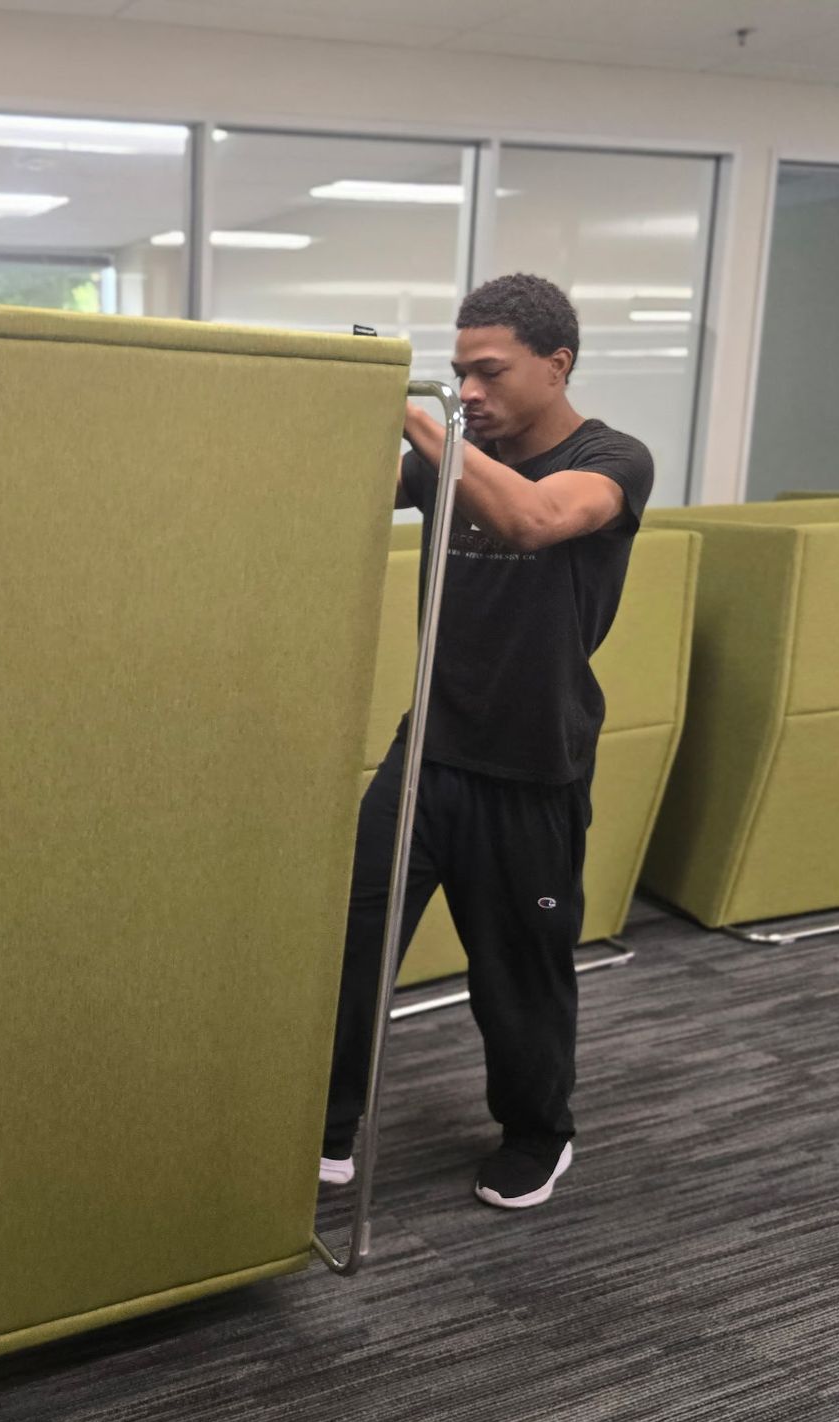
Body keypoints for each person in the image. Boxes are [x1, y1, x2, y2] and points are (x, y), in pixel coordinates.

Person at [320, 273, 655, 1210]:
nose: (467, 391)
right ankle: (328, 1124)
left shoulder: (613, 460)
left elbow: (536, 519)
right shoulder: (448, 458)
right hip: (425, 749)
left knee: (519, 974)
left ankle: (539, 1132)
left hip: (533, 768)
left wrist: (412, 409)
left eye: (488, 372)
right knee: (346, 941)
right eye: (456, 373)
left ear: (558, 365)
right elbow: (327, 496)